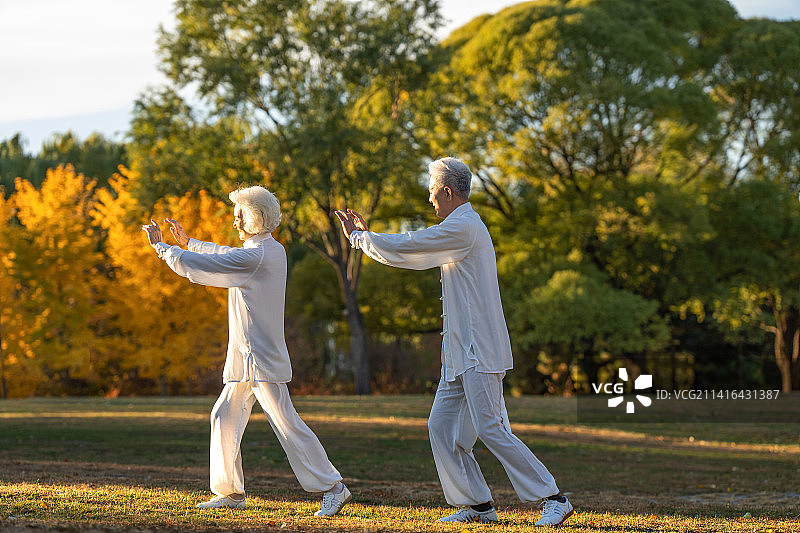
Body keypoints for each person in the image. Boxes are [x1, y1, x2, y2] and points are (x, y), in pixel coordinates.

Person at [334, 157, 572, 526]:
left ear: (447, 191)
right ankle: (477, 505)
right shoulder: (457, 230)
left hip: (480, 352)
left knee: (492, 428)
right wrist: (368, 240)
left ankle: (553, 498)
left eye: (432, 193)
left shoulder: (465, 227)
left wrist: (361, 238)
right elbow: (414, 252)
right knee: (442, 429)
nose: (430, 200)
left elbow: (414, 243)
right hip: (459, 354)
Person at [142, 185, 351, 517]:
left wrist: (164, 249)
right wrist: (187, 242)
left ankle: (333, 488)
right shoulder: (267, 249)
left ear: (257, 217)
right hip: (246, 356)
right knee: (223, 416)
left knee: (286, 424)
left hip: (260, 358)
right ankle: (230, 492)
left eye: (240, 216)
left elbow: (206, 266)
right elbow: (224, 254)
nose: (235, 222)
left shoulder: (257, 256)